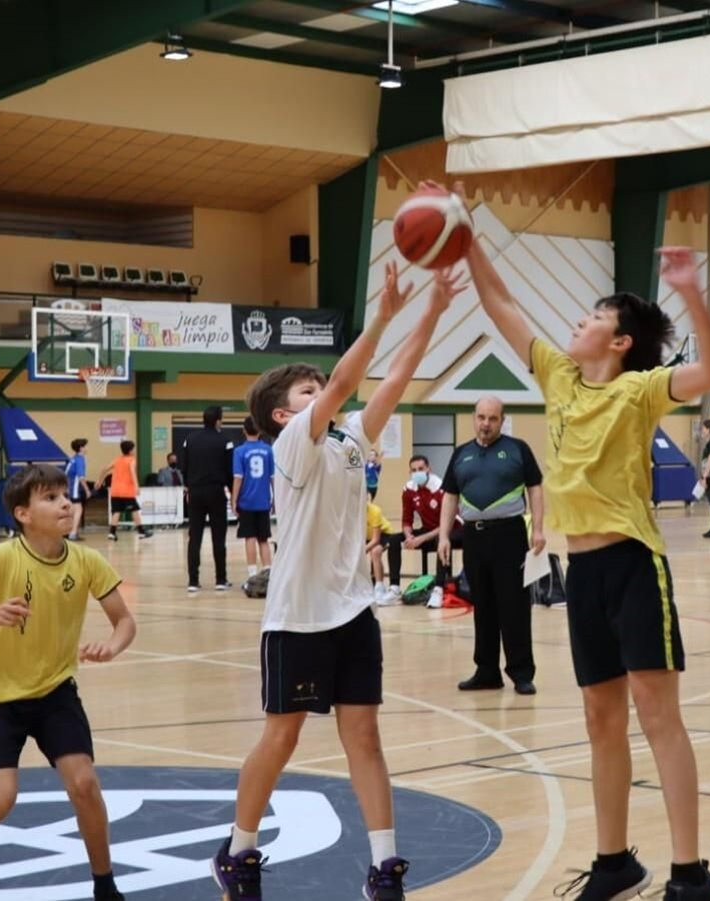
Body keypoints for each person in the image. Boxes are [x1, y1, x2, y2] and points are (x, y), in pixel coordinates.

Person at [463, 191, 710, 900]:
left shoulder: (640, 389)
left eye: (592, 319)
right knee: (597, 715)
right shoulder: (556, 376)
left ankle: (691, 871)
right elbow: (501, 305)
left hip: (634, 565)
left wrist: (693, 295)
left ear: (619, 342)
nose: (576, 324)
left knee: (657, 713)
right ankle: (615, 860)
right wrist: (467, 240)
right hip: (580, 570)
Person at [215, 262, 462, 901]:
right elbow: (349, 378)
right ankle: (238, 852)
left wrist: (432, 311)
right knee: (283, 735)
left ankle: (384, 867)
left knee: (365, 736)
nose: (322, 391)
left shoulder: (349, 440)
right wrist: (381, 312)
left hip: (353, 612)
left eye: (318, 388)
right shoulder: (291, 444)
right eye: (307, 390)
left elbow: (393, 380)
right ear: (279, 413)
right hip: (297, 616)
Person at [0, 464, 136, 901]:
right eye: (50, 498)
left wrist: (112, 647)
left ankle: (105, 885)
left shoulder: (86, 560)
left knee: (84, 784)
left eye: (65, 495)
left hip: (56, 691)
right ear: (22, 514)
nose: (65, 503)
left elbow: (124, 621)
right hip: (0, 696)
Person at [439, 396, 546, 695]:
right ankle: (487, 671)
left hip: (509, 535)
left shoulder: (517, 450)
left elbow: (535, 488)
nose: (486, 424)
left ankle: (521, 672)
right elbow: (450, 496)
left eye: (492, 418)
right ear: (474, 418)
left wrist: (538, 529)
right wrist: (444, 536)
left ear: (502, 420)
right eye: (481, 417)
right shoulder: (461, 455)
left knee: (513, 605)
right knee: (482, 606)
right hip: (474, 537)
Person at [182, 406, 235, 591]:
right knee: (218, 537)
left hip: (195, 492)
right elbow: (230, 470)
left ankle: (193, 582)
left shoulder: (190, 440)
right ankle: (221, 580)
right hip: (216, 491)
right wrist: (232, 492)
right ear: (218, 420)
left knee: (194, 537)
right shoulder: (225, 441)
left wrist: (188, 487)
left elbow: (184, 465)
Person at [401, 455, 461, 609]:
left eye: (421, 469)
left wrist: (420, 539)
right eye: (413, 470)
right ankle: (393, 588)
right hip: (428, 529)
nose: (417, 473)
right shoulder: (409, 489)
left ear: (429, 469)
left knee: (440, 540)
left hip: (453, 528)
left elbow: (446, 523)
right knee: (395, 540)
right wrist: (409, 536)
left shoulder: (440, 487)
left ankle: (438, 589)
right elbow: (406, 519)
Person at [232, 416, 276, 585]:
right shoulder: (269, 450)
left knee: (250, 537)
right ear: (260, 431)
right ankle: (268, 573)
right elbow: (273, 477)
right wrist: (275, 499)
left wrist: (234, 500)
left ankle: (252, 575)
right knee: (263, 538)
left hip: (247, 501)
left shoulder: (239, 451)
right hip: (263, 500)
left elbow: (238, 477)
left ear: (244, 430)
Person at [99, 440, 151, 541]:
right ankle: (141, 532)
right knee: (134, 510)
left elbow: (104, 469)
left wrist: (100, 481)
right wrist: (136, 486)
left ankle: (112, 533)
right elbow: (132, 473)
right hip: (126, 491)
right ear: (131, 450)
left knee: (117, 512)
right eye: (134, 449)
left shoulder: (117, 460)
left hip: (115, 491)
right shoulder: (131, 460)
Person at [365, 500, 404, 604]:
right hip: (367, 536)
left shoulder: (374, 511)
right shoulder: (351, 512)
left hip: (384, 534)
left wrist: (363, 549)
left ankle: (379, 587)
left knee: (375, 551)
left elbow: (376, 539)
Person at [65, 438, 92, 541]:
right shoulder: (80, 459)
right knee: (78, 509)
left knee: (71, 510)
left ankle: (68, 532)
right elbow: (81, 477)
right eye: (85, 446)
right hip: (74, 488)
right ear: (81, 448)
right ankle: (73, 533)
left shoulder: (73, 458)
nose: (87, 448)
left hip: (68, 487)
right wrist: (87, 490)